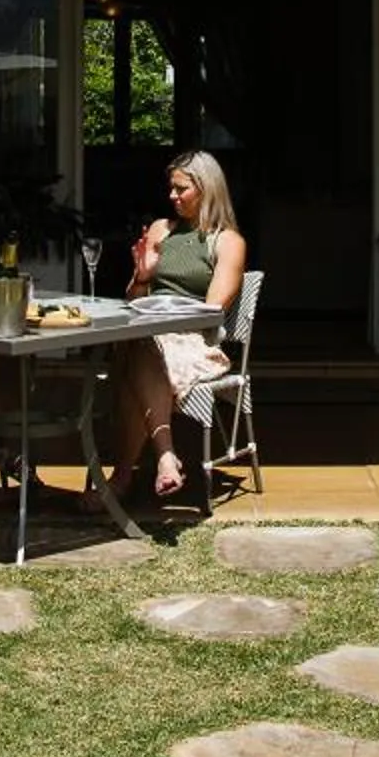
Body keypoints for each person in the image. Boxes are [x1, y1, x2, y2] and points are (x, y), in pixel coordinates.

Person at [109, 151, 246, 501]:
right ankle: (165, 458)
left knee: (134, 360)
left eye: (181, 189)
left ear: (206, 189)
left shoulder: (227, 242)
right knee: (140, 345)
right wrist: (142, 277)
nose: (172, 196)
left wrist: (167, 317)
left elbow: (213, 312)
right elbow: (133, 298)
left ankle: (122, 477)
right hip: (146, 330)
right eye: (170, 188)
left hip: (194, 342)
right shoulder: (160, 229)